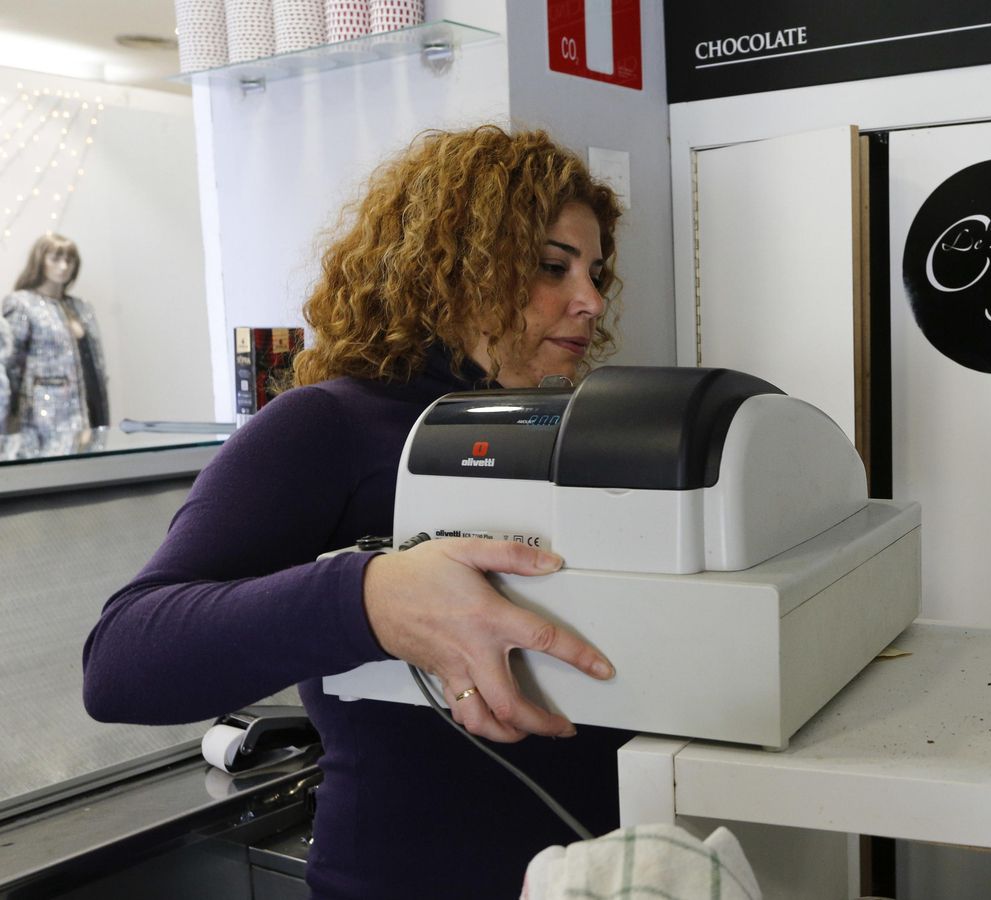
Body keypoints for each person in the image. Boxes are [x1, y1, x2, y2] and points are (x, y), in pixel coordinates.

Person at [82, 125, 632, 900]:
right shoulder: (328, 425)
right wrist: (370, 599)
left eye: (594, 272)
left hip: (594, 873)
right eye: (552, 266)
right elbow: (120, 661)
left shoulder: (569, 430)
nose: (591, 301)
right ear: (454, 267)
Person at [2, 234, 110, 451]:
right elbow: (10, 365)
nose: (63, 266)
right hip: (43, 419)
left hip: (90, 412)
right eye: (55, 258)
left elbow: (93, 364)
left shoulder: (82, 307)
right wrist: (8, 421)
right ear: (39, 260)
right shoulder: (22, 304)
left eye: (69, 260)